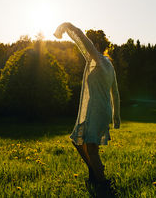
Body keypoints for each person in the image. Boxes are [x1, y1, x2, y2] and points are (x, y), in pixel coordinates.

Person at [54, 22, 121, 189]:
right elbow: (116, 93)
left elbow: (82, 39)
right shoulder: (109, 65)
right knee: (82, 142)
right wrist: (116, 117)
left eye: (93, 43)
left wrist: (65, 26)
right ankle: (95, 173)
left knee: (90, 149)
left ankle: (102, 181)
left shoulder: (97, 59)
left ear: (97, 45)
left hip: (96, 110)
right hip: (103, 110)